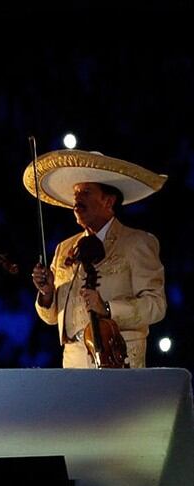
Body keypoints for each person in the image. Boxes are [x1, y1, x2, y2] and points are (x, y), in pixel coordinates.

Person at [26, 149, 167, 368]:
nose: (77, 199)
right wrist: (46, 294)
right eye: (76, 194)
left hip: (119, 359)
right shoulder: (64, 248)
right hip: (73, 363)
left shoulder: (137, 242)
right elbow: (51, 318)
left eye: (86, 193)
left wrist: (108, 309)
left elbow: (156, 306)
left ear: (108, 201)